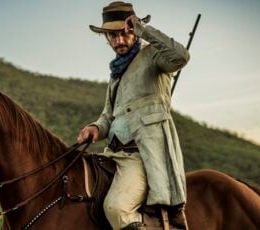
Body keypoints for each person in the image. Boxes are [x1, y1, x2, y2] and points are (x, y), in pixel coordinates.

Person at [77, 2, 189, 230]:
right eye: (112, 35)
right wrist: (96, 128)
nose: (118, 41)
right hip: (112, 153)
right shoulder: (116, 72)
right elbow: (109, 115)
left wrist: (143, 29)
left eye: (124, 33)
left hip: (140, 155)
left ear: (133, 30)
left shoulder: (154, 56)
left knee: (116, 208)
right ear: (106, 37)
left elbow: (181, 57)